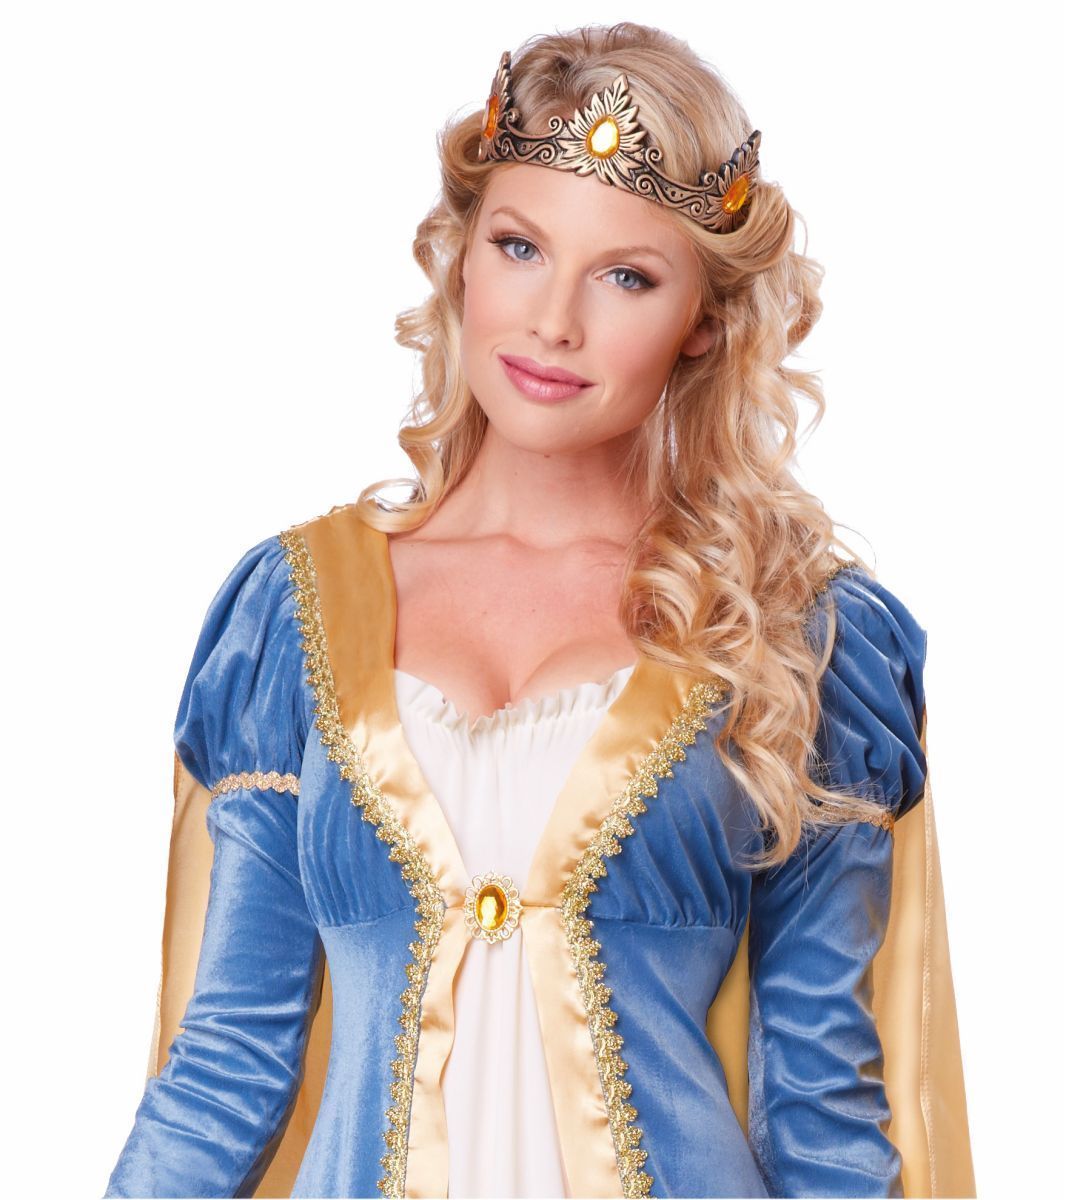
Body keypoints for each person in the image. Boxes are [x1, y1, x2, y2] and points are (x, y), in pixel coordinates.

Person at [103, 22, 976, 1200]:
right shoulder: (294, 612)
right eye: (520, 247)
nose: (554, 321)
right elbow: (224, 1071)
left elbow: (823, 1105)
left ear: (703, 322)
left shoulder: (791, 632)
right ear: (460, 259)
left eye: (626, 276)